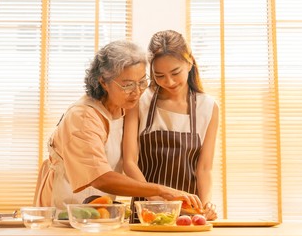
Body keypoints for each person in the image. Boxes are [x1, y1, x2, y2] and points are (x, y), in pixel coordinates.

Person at [34, 40, 203, 212]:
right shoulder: (83, 117)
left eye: (142, 82)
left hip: (98, 212)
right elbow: (101, 178)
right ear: (103, 82)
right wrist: (162, 190)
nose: (136, 91)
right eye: (127, 84)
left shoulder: (125, 108)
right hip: (64, 209)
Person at [123, 30, 219, 222]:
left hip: (190, 213)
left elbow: (204, 168)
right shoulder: (141, 100)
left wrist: (206, 205)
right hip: (146, 210)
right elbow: (129, 162)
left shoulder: (208, 106)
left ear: (189, 62)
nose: (170, 82)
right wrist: (154, 199)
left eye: (175, 73)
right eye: (160, 75)